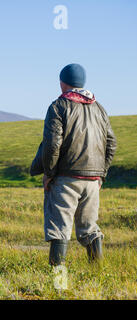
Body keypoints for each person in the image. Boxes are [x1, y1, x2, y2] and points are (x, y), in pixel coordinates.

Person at [30, 63, 117, 266]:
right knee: (89, 228)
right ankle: (98, 272)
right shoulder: (99, 108)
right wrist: (101, 174)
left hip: (66, 177)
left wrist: (49, 172)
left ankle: (58, 281)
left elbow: (53, 144)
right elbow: (111, 143)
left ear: (62, 82)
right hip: (93, 180)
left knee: (59, 228)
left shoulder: (58, 106)